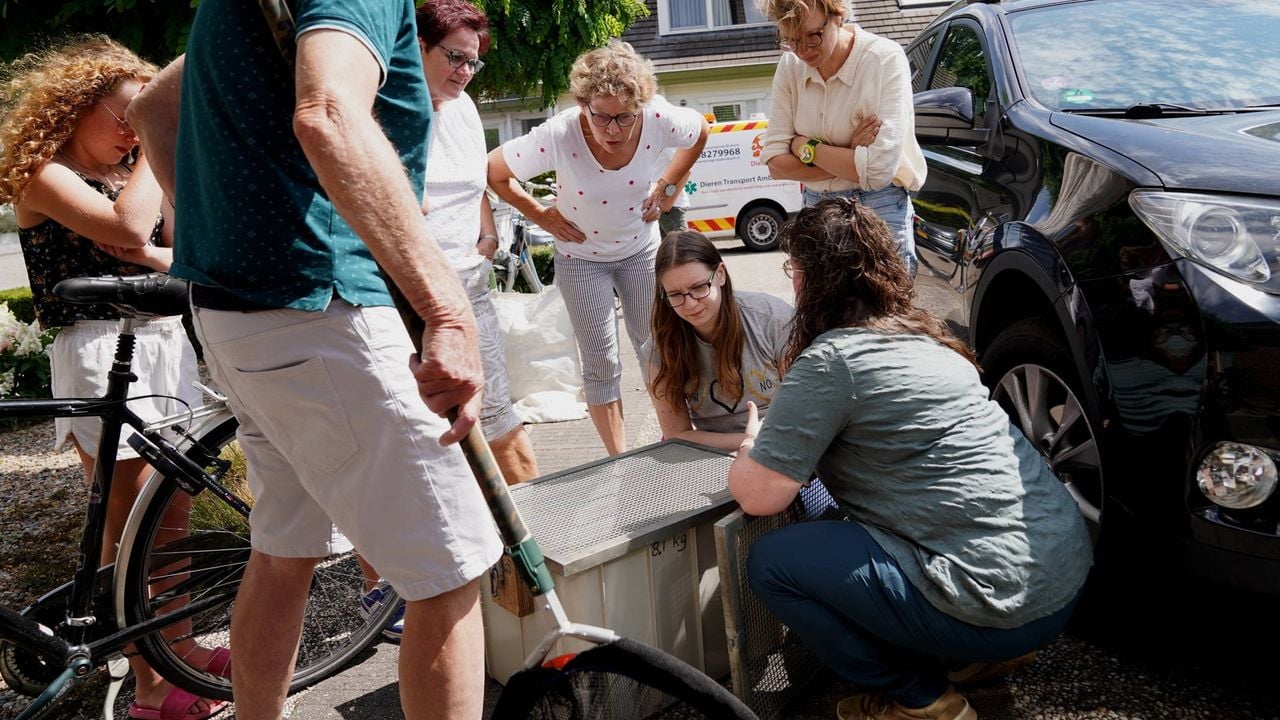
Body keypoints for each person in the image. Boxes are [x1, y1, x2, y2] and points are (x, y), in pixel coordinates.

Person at [133, 0, 505, 717]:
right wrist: (448, 313)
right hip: (320, 310)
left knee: (284, 551)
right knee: (448, 568)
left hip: (242, 313)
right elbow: (329, 115)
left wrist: (225, 238)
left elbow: (153, 107)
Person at [728, 198, 1092, 720]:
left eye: (794, 269)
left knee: (774, 563)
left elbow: (761, 496)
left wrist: (749, 446)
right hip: (1061, 579)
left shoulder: (832, 360)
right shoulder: (931, 341)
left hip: (999, 604)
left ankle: (921, 700)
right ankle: (977, 657)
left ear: (809, 280)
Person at [0, 36, 223, 720]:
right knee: (128, 525)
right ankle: (151, 687)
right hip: (100, 348)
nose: (133, 130)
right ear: (76, 104)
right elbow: (130, 226)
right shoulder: (44, 173)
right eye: (126, 114)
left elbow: (185, 252)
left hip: (162, 342)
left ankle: (180, 649)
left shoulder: (129, 173)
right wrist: (159, 137)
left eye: (143, 117)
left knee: (170, 518)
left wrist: (153, 236)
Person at [488, 41, 709, 456]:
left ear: (640, 107)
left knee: (657, 348)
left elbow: (700, 132)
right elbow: (495, 171)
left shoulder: (658, 118)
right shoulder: (560, 133)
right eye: (601, 116)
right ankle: (618, 458)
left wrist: (668, 187)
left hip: (640, 251)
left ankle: (676, 439)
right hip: (581, 260)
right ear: (583, 104)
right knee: (601, 362)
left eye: (624, 117)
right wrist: (542, 215)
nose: (612, 129)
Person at [417, 0, 539, 483]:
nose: (466, 72)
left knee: (496, 416)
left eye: (474, 62)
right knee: (427, 433)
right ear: (419, 47)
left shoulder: (464, 108)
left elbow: (474, 183)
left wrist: (487, 236)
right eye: (455, 58)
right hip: (412, 297)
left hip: (470, 286)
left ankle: (534, 526)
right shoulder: (388, 107)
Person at [759, 0, 927, 274]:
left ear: (838, 15)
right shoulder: (790, 65)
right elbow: (776, 165)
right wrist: (849, 151)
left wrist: (805, 146)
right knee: (824, 302)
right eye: (791, 40)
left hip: (878, 206)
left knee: (884, 300)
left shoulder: (883, 59)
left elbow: (878, 171)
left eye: (813, 36)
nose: (803, 51)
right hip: (817, 207)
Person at [644, 230, 792, 451]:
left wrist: (761, 443)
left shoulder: (773, 319)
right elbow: (677, 434)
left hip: (782, 442)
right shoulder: (661, 345)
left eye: (698, 288)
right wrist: (748, 442)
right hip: (713, 452)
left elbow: (804, 408)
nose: (690, 304)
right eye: (675, 295)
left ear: (720, 274)